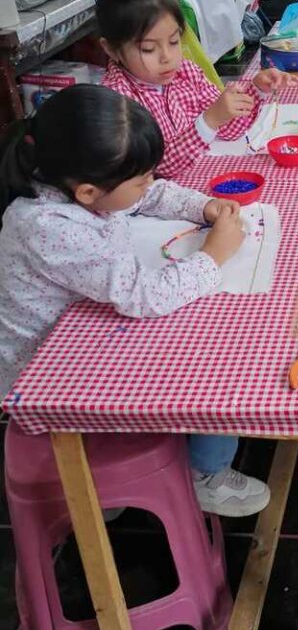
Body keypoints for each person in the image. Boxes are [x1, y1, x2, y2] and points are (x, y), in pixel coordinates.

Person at [0, 84, 270, 517]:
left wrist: (205, 208)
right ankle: (203, 472)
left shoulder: (84, 182)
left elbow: (152, 194)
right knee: (209, 355)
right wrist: (214, 254)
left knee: (206, 323)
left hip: (86, 327)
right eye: (141, 176)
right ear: (88, 192)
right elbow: (143, 295)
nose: (149, 184)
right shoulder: (46, 225)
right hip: (54, 374)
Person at [98, 0, 295, 180]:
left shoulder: (185, 72)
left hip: (199, 176)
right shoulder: (116, 101)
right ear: (112, 50)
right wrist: (208, 121)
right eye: (148, 49)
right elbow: (156, 169)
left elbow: (228, 130)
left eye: (174, 42)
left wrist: (255, 91)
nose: (167, 57)